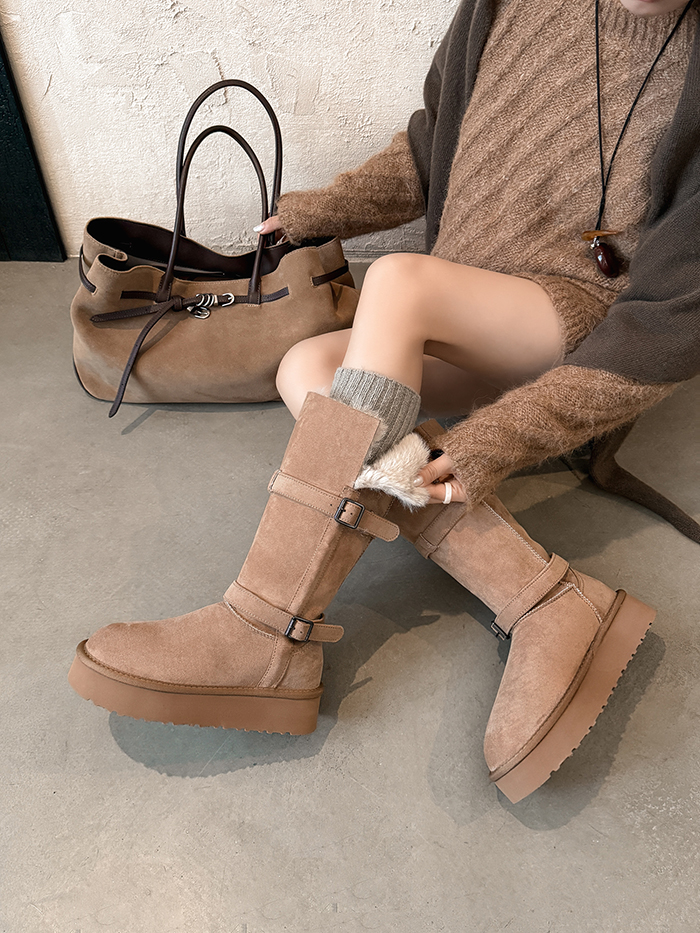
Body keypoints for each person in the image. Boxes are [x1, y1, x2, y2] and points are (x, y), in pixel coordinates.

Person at [68, 0, 700, 802]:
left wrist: (497, 440)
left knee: (398, 282)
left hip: (581, 319)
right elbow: (429, 150)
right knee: (308, 368)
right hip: (462, 305)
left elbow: (672, 324)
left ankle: (267, 627)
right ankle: (546, 597)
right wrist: (322, 212)